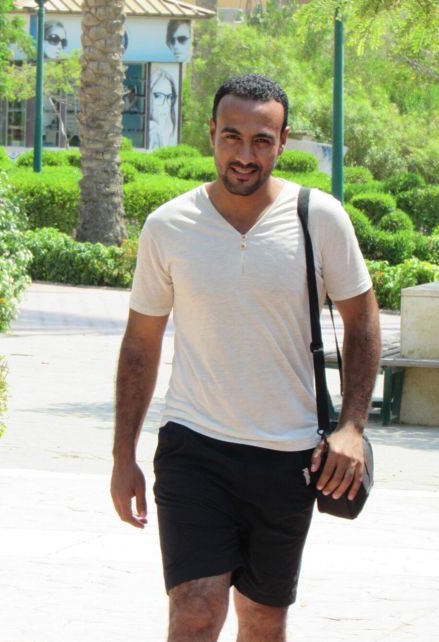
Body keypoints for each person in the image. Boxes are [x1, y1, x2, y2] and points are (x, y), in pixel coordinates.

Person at [111, 74, 381, 641]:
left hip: (288, 457)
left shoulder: (319, 217)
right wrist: (122, 455)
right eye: (232, 137)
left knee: (263, 620)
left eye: (262, 140)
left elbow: (362, 322)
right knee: (195, 609)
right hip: (194, 448)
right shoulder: (169, 226)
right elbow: (140, 344)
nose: (244, 155)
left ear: (283, 141)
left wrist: (352, 427)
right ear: (211, 132)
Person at [148, 69, 178, 150]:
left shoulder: (168, 131)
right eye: (158, 96)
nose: (165, 105)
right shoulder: (153, 129)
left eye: (169, 97)